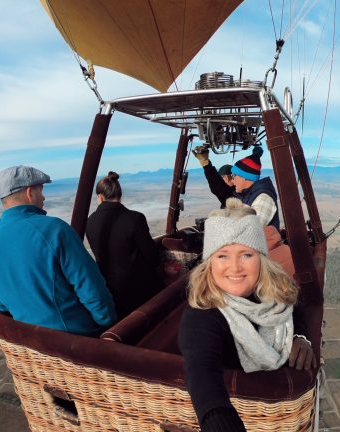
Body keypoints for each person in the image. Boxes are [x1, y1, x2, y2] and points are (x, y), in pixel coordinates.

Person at [178, 198, 315, 431]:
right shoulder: (203, 314)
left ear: (260, 259)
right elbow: (203, 376)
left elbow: (294, 310)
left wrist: (299, 337)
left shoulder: (274, 294)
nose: (235, 267)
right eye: (222, 255)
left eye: (246, 255)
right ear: (209, 262)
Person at [0, 165, 116, 336]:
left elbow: (1, 305)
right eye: (41, 190)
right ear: (30, 193)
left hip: (31, 343)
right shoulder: (54, 229)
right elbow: (90, 287)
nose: (43, 197)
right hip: (77, 339)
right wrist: (109, 323)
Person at [86, 171, 164, 319]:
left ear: (100, 197)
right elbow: (153, 258)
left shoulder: (90, 222)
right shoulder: (135, 218)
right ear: (120, 195)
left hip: (111, 292)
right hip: (142, 290)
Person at [230, 147, 280, 229]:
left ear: (245, 177)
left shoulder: (263, 198)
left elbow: (251, 230)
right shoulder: (248, 195)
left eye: (233, 176)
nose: (232, 181)